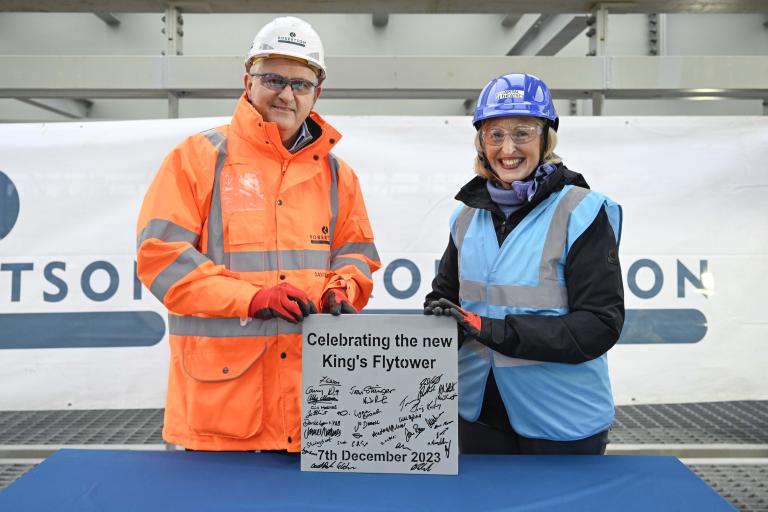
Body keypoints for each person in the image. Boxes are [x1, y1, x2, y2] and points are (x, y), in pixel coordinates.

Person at [136, 16, 380, 452]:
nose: (286, 94)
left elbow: (356, 256)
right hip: (222, 414)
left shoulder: (338, 176)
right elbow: (162, 260)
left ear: (316, 94)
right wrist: (251, 298)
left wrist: (341, 290)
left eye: (300, 84)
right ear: (248, 80)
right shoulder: (197, 158)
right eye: (274, 78)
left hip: (319, 410)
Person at [424, 73, 624, 455]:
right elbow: (447, 297)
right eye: (495, 134)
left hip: (561, 419)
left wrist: (494, 330)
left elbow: (599, 325)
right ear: (481, 142)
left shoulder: (582, 211)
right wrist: (438, 318)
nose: (507, 147)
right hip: (476, 414)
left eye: (522, 132)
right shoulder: (465, 217)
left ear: (546, 138)